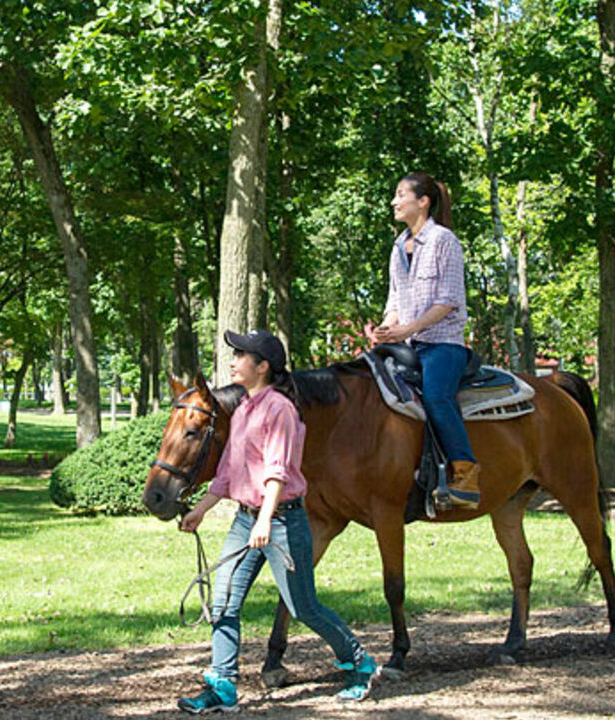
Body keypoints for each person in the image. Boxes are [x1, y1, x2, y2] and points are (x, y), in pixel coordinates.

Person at [176, 329, 376, 713]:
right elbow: (229, 471)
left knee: (303, 607)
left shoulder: (280, 409)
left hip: (281, 521)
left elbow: (277, 472)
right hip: (245, 520)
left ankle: (360, 663)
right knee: (223, 603)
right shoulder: (243, 410)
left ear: (263, 366)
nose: (233, 362)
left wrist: (265, 521)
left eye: (241, 357)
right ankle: (223, 687)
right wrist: (202, 509)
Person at [371, 172, 480, 508]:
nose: (394, 201)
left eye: (401, 194)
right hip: (409, 344)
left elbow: (448, 300)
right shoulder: (397, 247)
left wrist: (408, 329)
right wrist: (386, 328)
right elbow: (395, 302)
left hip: (442, 343)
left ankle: (465, 474)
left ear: (423, 202)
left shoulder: (444, 241)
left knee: (436, 396)